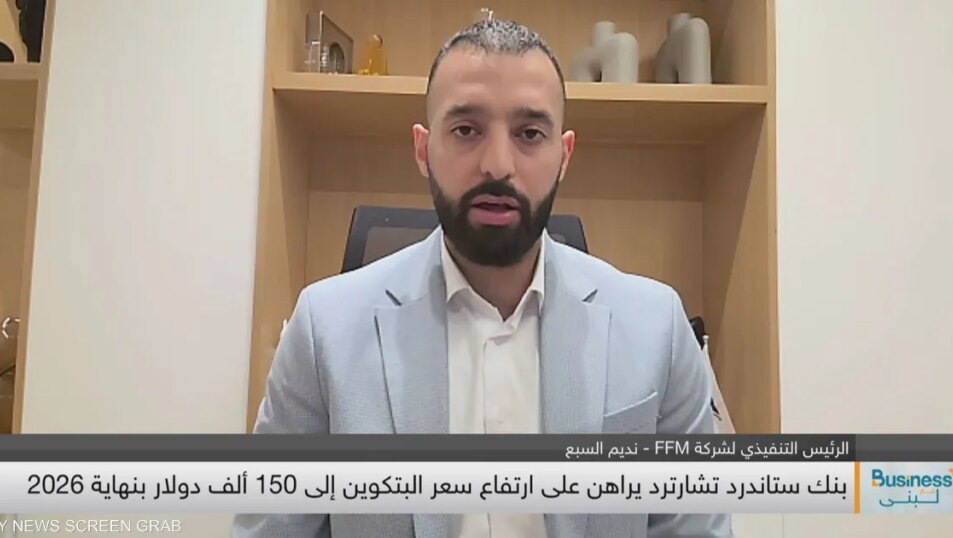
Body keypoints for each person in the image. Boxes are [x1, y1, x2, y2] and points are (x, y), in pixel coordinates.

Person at [233, 19, 733, 538]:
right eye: (466, 130)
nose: (497, 165)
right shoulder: (323, 331)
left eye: (529, 134)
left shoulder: (657, 329)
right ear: (423, 150)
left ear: (564, 156)